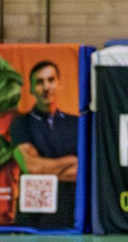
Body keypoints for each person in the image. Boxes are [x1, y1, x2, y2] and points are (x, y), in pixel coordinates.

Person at [11, 60, 79, 230]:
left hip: (70, 218)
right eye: (40, 82)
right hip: (33, 221)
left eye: (51, 80)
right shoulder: (21, 124)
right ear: (31, 89)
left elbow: (83, 172)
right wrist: (71, 160)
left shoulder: (77, 124)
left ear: (59, 84)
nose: (46, 87)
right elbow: (31, 168)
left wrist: (45, 168)